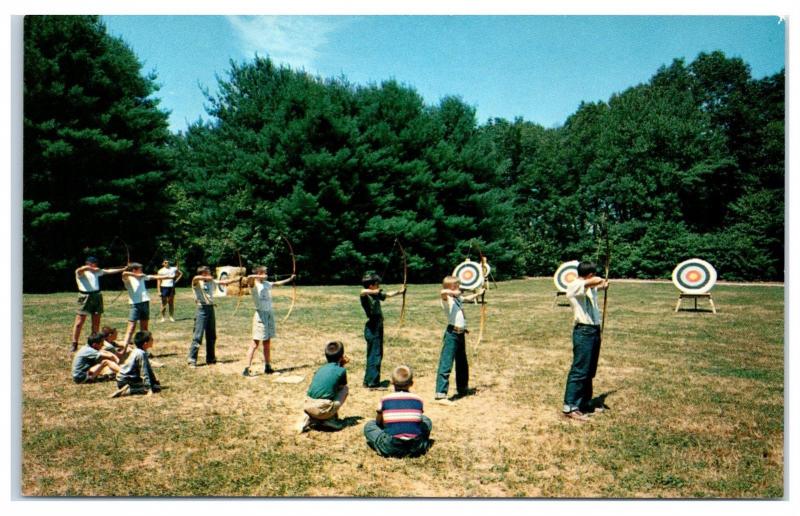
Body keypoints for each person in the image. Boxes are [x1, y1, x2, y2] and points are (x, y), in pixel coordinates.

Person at [562, 261, 609, 422]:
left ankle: (584, 404)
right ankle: (570, 406)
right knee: (580, 370)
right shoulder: (574, 285)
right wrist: (601, 280)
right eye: (593, 274)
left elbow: (596, 285)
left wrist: (603, 285)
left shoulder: (588, 286)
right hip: (583, 331)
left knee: (589, 370)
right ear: (590, 274)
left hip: (593, 330)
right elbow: (594, 282)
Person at [364, 365, 432, 458]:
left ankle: (388, 444)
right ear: (411, 383)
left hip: (391, 446)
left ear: (392, 382)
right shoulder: (418, 399)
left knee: (369, 426)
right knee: (427, 420)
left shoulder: (385, 399)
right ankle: (418, 444)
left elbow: (378, 422)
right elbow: (419, 421)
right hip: (416, 446)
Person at [435, 276, 484, 402]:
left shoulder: (457, 298)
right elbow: (443, 292)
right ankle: (440, 394)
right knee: (446, 363)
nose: (459, 287)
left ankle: (462, 389)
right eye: (456, 285)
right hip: (452, 334)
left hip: (460, 334)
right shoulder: (447, 299)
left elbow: (467, 298)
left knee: (462, 362)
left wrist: (478, 294)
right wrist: (453, 291)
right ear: (450, 287)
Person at [241, 266, 296, 377]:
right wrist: (258, 276)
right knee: (255, 343)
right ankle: (246, 368)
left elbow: (277, 283)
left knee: (267, 342)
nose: (266, 274)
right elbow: (249, 277)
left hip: (269, 314)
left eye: (266, 272)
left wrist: (290, 279)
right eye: (264, 272)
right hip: (260, 316)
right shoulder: (254, 284)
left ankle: (267, 366)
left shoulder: (266, 283)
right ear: (259, 273)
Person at [359, 272, 405, 389]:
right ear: (371, 286)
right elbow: (362, 291)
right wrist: (375, 291)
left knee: (373, 354)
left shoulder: (375, 294)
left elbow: (387, 295)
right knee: (375, 354)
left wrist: (400, 292)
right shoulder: (365, 295)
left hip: (377, 326)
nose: (378, 286)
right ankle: (373, 383)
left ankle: (367, 381)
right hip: (373, 327)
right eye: (377, 284)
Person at [70, 256, 125, 353]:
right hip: (85, 296)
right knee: (79, 322)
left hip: (97, 296)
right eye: (93, 264)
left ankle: (93, 342)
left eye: (95, 264)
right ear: (88, 263)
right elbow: (80, 270)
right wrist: (90, 268)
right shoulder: (81, 272)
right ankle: (74, 343)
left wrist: (123, 269)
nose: (96, 266)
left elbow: (108, 271)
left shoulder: (96, 272)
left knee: (96, 322)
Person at [187, 265, 239, 367]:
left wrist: (237, 279)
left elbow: (224, 282)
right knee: (198, 336)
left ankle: (211, 358)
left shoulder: (211, 281)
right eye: (207, 272)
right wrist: (206, 277)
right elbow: (195, 278)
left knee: (211, 335)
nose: (210, 273)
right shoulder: (197, 282)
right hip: (202, 309)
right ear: (203, 273)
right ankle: (192, 359)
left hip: (210, 308)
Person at [297, 341, 349, 433]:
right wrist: (342, 365)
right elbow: (340, 387)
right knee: (345, 389)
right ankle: (329, 419)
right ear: (341, 357)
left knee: (324, 390)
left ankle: (310, 417)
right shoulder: (341, 370)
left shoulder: (320, 368)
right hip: (322, 409)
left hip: (307, 405)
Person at [120, 263, 172, 352]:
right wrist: (136, 275)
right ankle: (123, 350)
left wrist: (169, 277)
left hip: (145, 303)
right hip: (135, 304)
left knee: (144, 328)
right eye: (140, 269)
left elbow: (155, 277)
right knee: (131, 328)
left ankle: (143, 350)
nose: (142, 271)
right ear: (134, 270)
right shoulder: (128, 279)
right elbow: (124, 273)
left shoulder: (142, 277)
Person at [110, 331, 161, 398]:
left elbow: (149, 368)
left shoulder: (139, 351)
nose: (153, 340)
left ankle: (129, 388)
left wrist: (154, 381)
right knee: (155, 388)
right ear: (145, 344)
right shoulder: (141, 354)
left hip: (123, 379)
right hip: (125, 380)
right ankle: (128, 390)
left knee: (155, 385)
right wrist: (148, 388)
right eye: (151, 339)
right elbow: (144, 372)